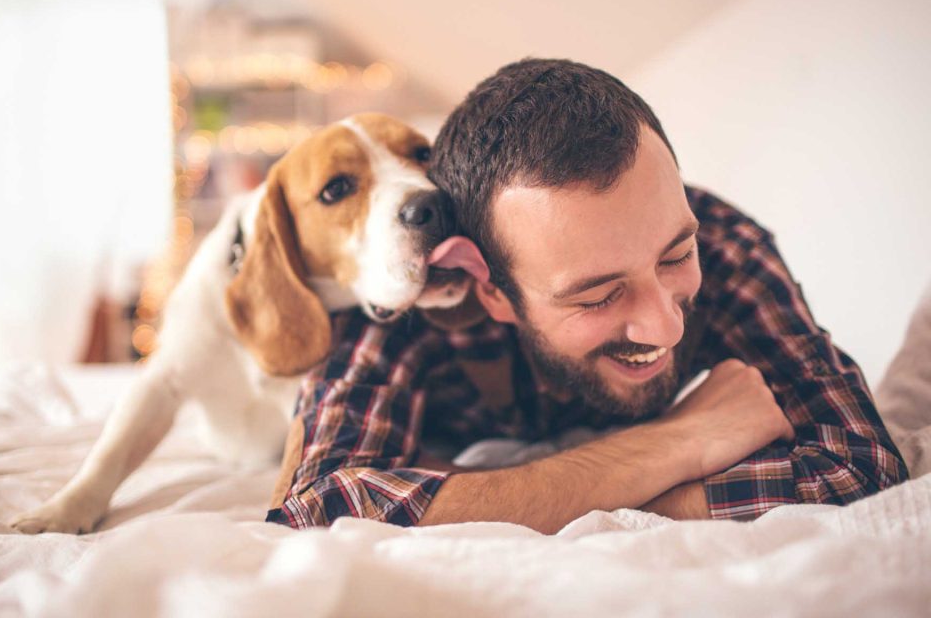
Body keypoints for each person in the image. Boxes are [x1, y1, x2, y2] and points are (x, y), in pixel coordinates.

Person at [266, 58, 907, 533]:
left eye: (676, 257)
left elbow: (860, 466)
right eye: (597, 296)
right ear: (490, 291)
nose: (664, 327)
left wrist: (504, 499)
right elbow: (317, 510)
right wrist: (678, 442)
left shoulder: (724, 240)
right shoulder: (415, 289)